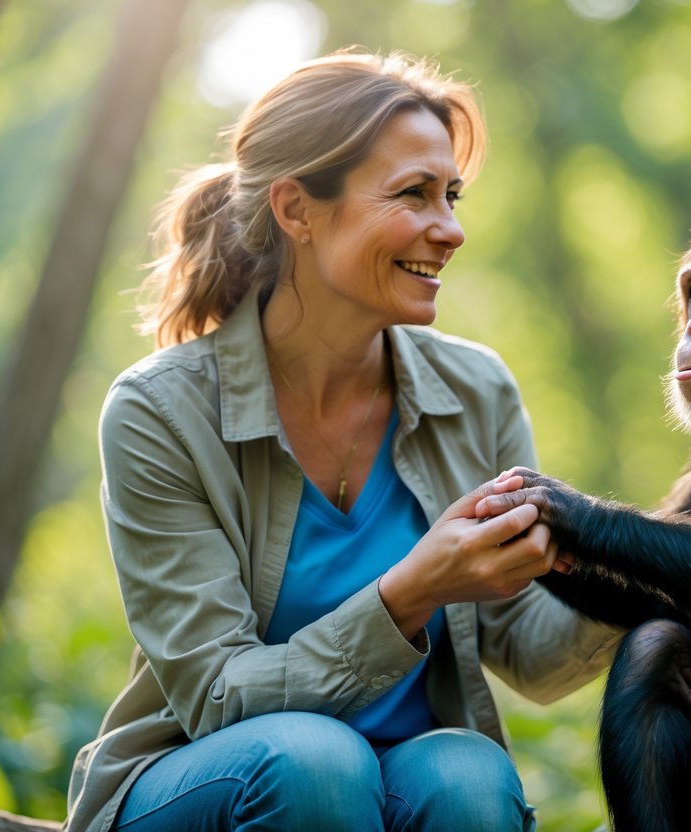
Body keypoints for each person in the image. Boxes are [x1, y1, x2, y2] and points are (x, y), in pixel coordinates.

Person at [63, 49, 624, 832]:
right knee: (315, 764)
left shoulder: (475, 391)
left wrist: (676, 546)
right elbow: (216, 694)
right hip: (202, 780)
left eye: (451, 195)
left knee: (466, 775)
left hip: (401, 787)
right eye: (414, 195)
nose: (452, 230)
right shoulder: (160, 413)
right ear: (296, 209)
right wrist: (412, 590)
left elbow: (526, 649)